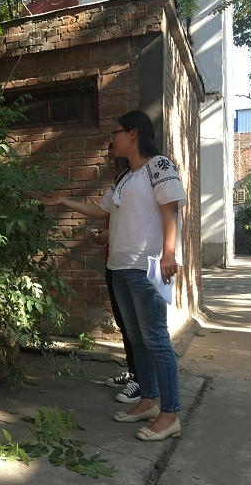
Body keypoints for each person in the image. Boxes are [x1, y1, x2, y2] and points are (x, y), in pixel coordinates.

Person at [42, 110, 186, 441]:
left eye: (116, 132)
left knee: (156, 339)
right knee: (136, 338)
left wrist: (168, 255)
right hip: (119, 267)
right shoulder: (124, 178)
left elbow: (170, 211)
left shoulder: (159, 166)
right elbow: (101, 210)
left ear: (133, 133)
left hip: (145, 268)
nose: (112, 139)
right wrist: (64, 200)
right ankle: (148, 400)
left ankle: (169, 414)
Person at [93, 147, 140, 405]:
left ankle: (141, 381)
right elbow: (102, 212)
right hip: (114, 262)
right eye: (109, 158)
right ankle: (134, 372)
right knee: (124, 323)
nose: (110, 163)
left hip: (132, 266)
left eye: (113, 158)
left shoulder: (138, 181)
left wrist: (110, 236)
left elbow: (137, 225)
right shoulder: (118, 184)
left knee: (137, 327)